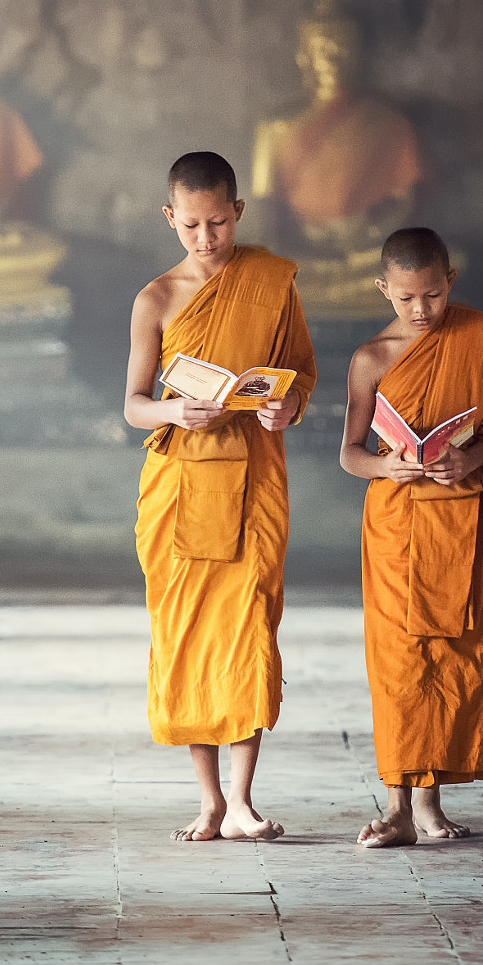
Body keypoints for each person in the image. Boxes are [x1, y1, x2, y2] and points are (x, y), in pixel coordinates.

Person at [124, 151, 316, 841]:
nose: (207, 239)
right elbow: (134, 406)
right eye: (193, 225)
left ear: (238, 212)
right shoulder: (157, 298)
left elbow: (297, 378)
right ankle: (208, 799)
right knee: (187, 635)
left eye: (219, 223)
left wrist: (281, 410)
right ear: (171, 217)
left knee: (247, 631)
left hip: (254, 474)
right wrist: (176, 412)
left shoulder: (271, 281)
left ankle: (242, 799)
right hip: (181, 485)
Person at [341, 228, 483, 848]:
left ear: (451, 279)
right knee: (398, 661)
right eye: (405, 299)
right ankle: (396, 807)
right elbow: (350, 454)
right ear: (383, 290)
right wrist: (385, 465)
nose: (420, 310)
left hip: (457, 518)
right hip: (396, 523)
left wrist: (471, 457)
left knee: (451, 653)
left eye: (431, 294)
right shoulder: (370, 359)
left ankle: (430, 803)